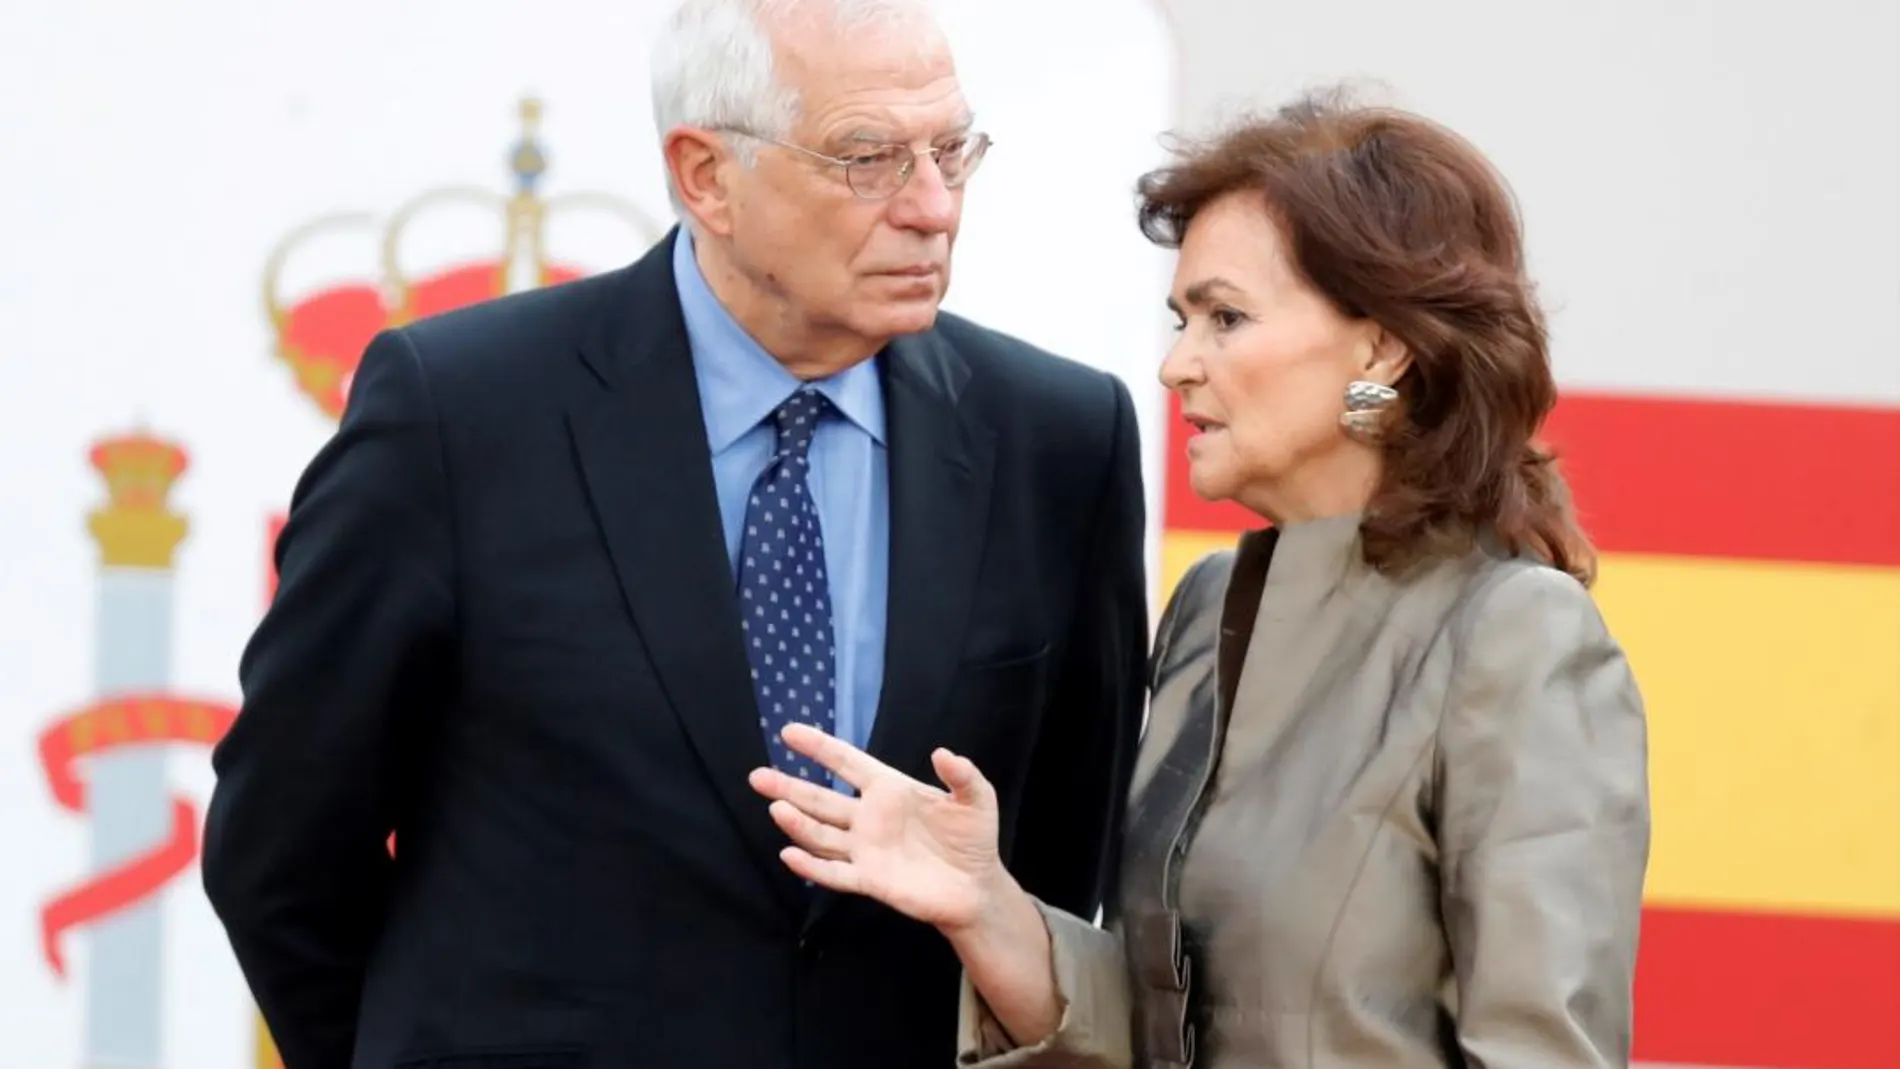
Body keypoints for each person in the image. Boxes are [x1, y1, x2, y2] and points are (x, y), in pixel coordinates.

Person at [199, 1, 1149, 1066]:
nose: (933, 206)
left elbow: (1062, 874)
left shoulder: (1059, 441)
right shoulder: (460, 414)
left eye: (951, 151)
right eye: (870, 158)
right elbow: (281, 848)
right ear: (705, 175)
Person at [749, 87, 1652, 1069]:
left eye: (1225, 317)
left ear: (1380, 346)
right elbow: (1176, 1028)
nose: (1178, 364)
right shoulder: (1210, 609)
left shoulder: (1516, 639)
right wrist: (986, 903)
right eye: (1181, 318)